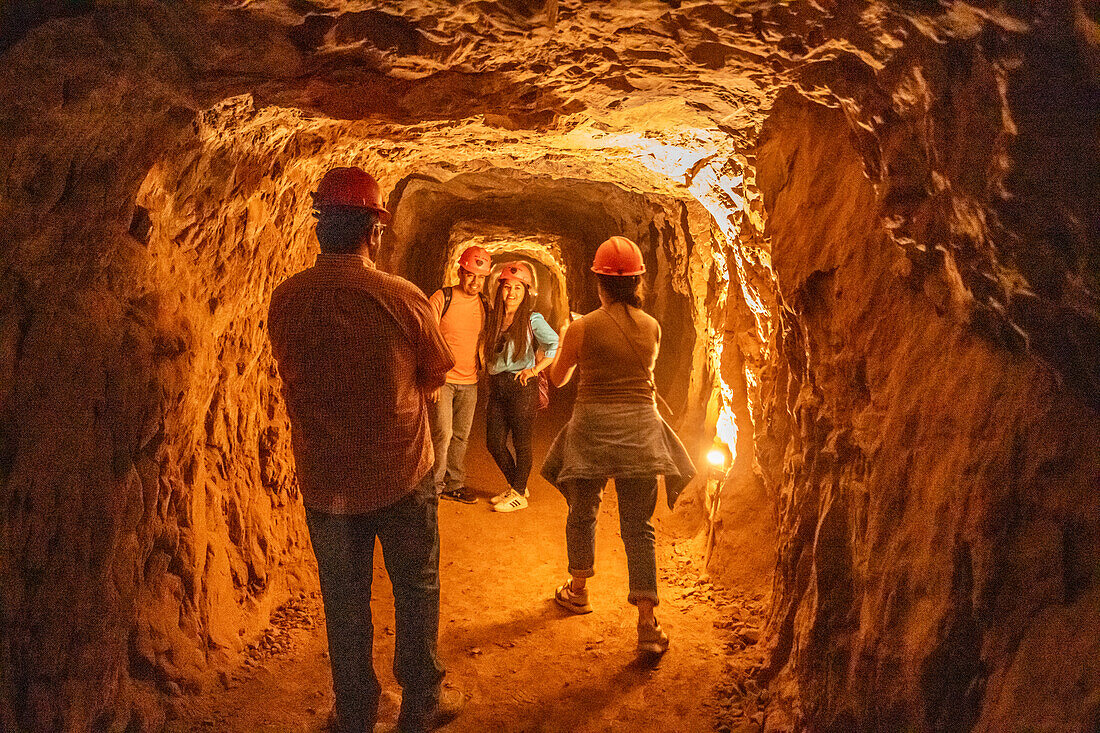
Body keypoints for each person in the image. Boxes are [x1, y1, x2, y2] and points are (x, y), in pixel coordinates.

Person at [267, 167, 464, 733]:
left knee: (345, 596)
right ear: (373, 232)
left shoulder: (287, 298)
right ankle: (421, 699)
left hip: (327, 477)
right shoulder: (399, 296)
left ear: (318, 227)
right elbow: (437, 371)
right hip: (400, 467)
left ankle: (355, 709)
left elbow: (294, 371)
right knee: (416, 583)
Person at [541, 236, 695, 655]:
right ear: (639, 281)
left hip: (592, 427)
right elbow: (644, 373)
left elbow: (558, 378)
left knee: (583, 510)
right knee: (638, 527)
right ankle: (647, 621)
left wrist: (563, 338)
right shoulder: (652, 327)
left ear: (599, 282)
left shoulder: (582, 326)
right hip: (641, 431)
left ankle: (577, 590)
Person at [483, 261, 559, 513]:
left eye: (518, 287)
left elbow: (553, 343)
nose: (512, 293)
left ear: (526, 291)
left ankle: (518, 494)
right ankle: (517, 485)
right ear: (499, 289)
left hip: (521, 385)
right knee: (494, 442)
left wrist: (535, 369)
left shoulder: (532, 319)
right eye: (507, 287)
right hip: (498, 385)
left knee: (522, 442)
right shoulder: (493, 316)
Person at [427, 246, 492, 504]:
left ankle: (454, 484)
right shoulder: (442, 299)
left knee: (461, 435)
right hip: (443, 380)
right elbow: (427, 338)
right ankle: (434, 486)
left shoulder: (484, 304)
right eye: (470, 275)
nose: (475, 282)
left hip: (470, 380)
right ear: (460, 271)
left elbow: (485, 337)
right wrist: (432, 377)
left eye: (480, 277)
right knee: (442, 433)